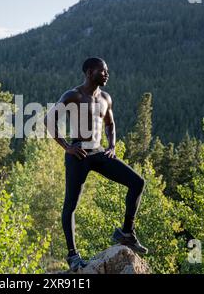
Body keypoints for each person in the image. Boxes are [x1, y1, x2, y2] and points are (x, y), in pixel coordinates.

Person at [44, 57, 148, 272]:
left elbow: (110, 124)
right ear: (90, 72)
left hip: (100, 152)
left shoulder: (106, 98)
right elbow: (49, 119)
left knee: (137, 182)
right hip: (78, 154)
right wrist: (67, 147)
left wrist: (112, 146)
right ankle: (73, 256)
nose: (107, 74)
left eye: (107, 71)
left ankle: (126, 232)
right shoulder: (73, 95)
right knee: (70, 206)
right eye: (103, 71)